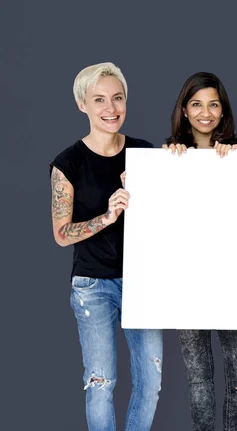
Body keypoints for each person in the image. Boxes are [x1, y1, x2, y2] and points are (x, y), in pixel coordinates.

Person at [49, 62, 162, 431]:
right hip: (92, 285)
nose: (110, 108)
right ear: (82, 104)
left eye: (117, 98)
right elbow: (61, 234)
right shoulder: (68, 163)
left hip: (141, 283)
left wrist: (152, 189)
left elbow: (170, 217)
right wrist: (107, 216)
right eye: (99, 99)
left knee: (151, 383)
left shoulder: (145, 155)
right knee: (101, 384)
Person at [164, 72, 237, 431]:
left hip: (235, 280)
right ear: (184, 111)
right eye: (197, 104)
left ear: (223, 110)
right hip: (187, 281)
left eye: (213, 104)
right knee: (199, 378)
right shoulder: (168, 159)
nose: (206, 112)